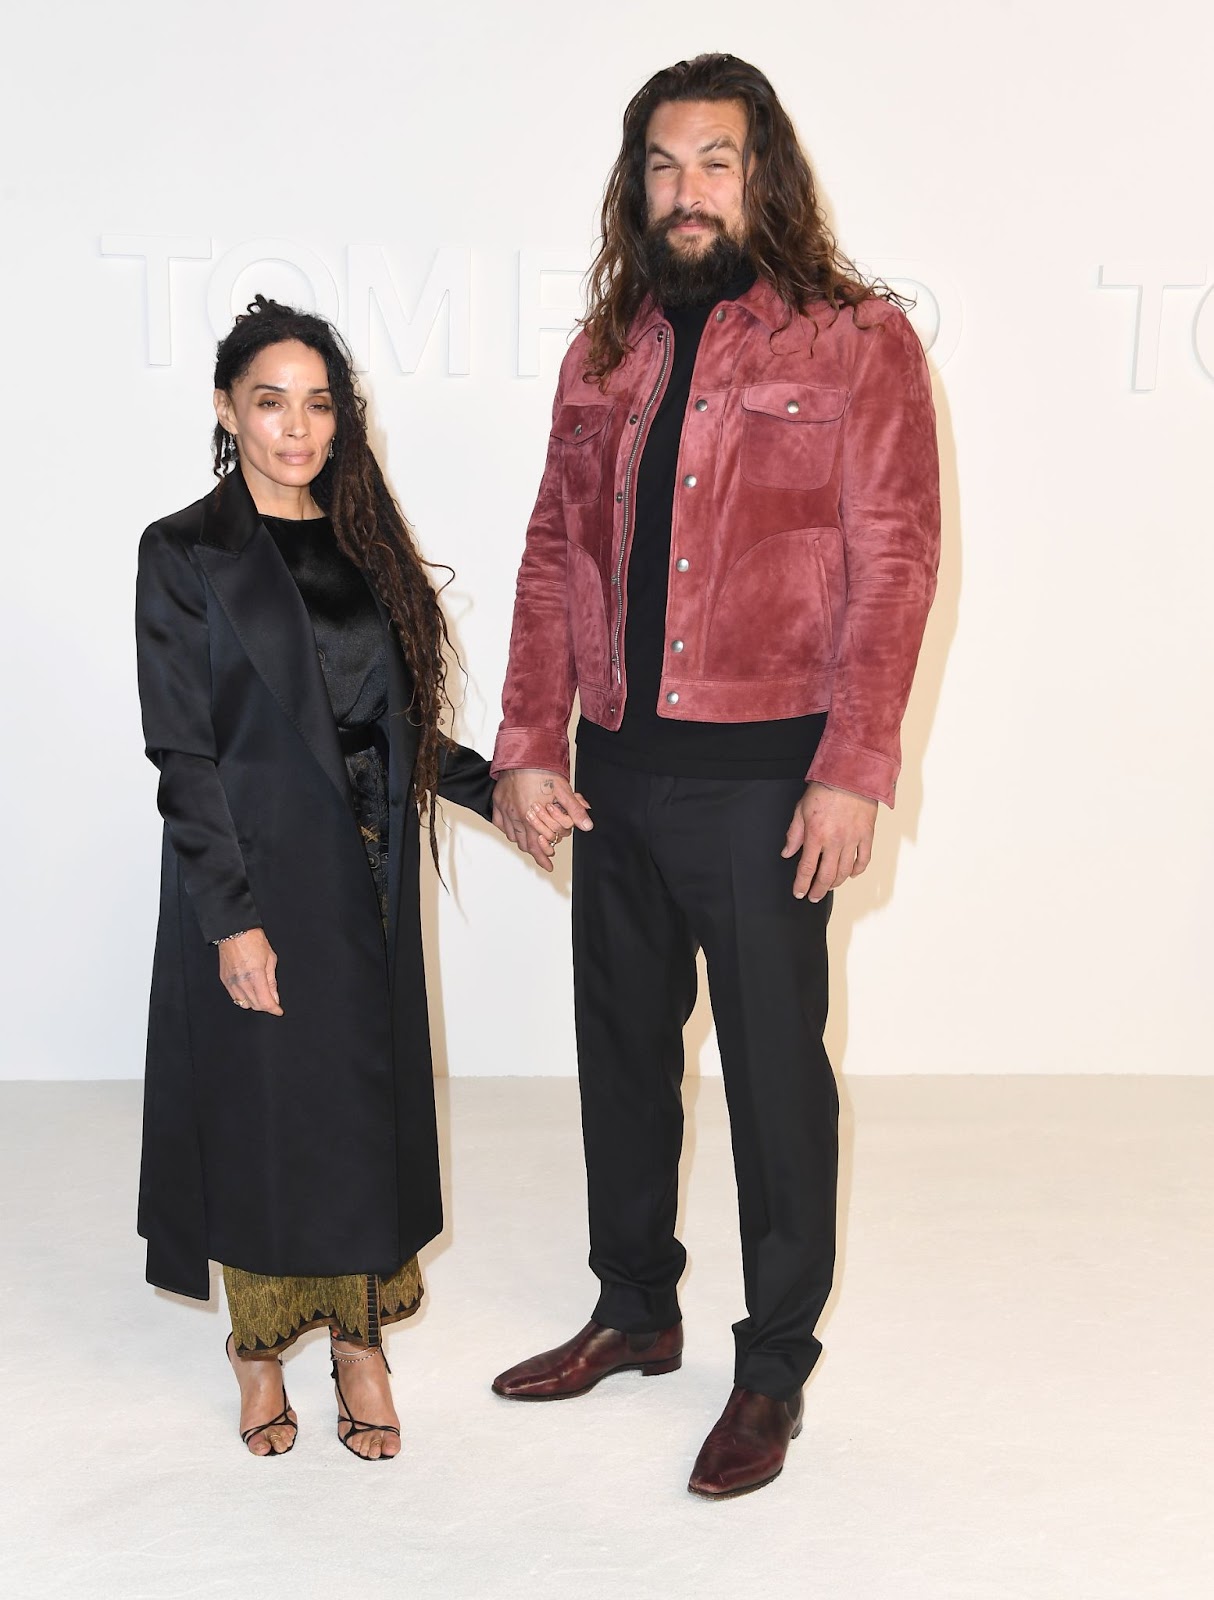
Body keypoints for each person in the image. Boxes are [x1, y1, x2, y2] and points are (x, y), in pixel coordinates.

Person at [489, 54, 941, 1498]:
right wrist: (523, 745)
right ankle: (634, 1310)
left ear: (764, 177)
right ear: (639, 187)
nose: (687, 193)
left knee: (769, 1080)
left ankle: (770, 1369)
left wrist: (852, 764)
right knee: (623, 1067)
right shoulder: (600, 351)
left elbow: (893, 565)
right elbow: (554, 557)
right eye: (663, 167)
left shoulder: (856, 343)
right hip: (613, 775)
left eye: (716, 162)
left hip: (764, 789)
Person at [135, 296, 567, 1460]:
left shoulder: (362, 544)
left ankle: (360, 1343)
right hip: (257, 885)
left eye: (318, 403)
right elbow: (183, 753)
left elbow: (392, 731)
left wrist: (501, 789)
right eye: (270, 401)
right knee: (266, 1121)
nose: (297, 427)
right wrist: (232, 922)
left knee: (357, 1124)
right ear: (226, 409)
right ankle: (258, 1349)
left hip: (366, 892)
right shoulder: (183, 552)